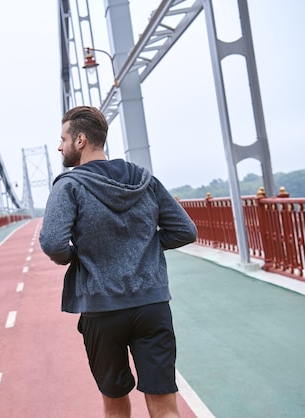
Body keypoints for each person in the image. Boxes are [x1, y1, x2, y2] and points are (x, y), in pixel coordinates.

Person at [39, 106, 198, 418]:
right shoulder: (144, 180)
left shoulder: (69, 185)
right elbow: (185, 230)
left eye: (63, 139)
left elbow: (53, 243)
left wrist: (79, 255)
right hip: (152, 305)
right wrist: (146, 246)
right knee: (165, 407)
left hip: (102, 309)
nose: (59, 146)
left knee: (115, 406)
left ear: (81, 140)